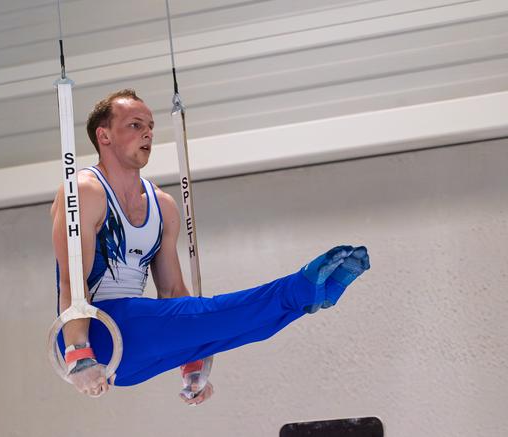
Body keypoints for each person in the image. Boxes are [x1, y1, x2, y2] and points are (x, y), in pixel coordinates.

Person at [50, 89, 370, 405]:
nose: (147, 133)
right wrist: (77, 353)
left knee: (241, 328)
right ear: (104, 136)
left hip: (136, 352)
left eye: (150, 126)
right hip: (99, 333)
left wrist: (193, 363)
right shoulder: (84, 192)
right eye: (135, 125)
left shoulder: (163, 205)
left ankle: (309, 297)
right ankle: (299, 289)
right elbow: (71, 282)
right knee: (216, 313)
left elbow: (173, 289)